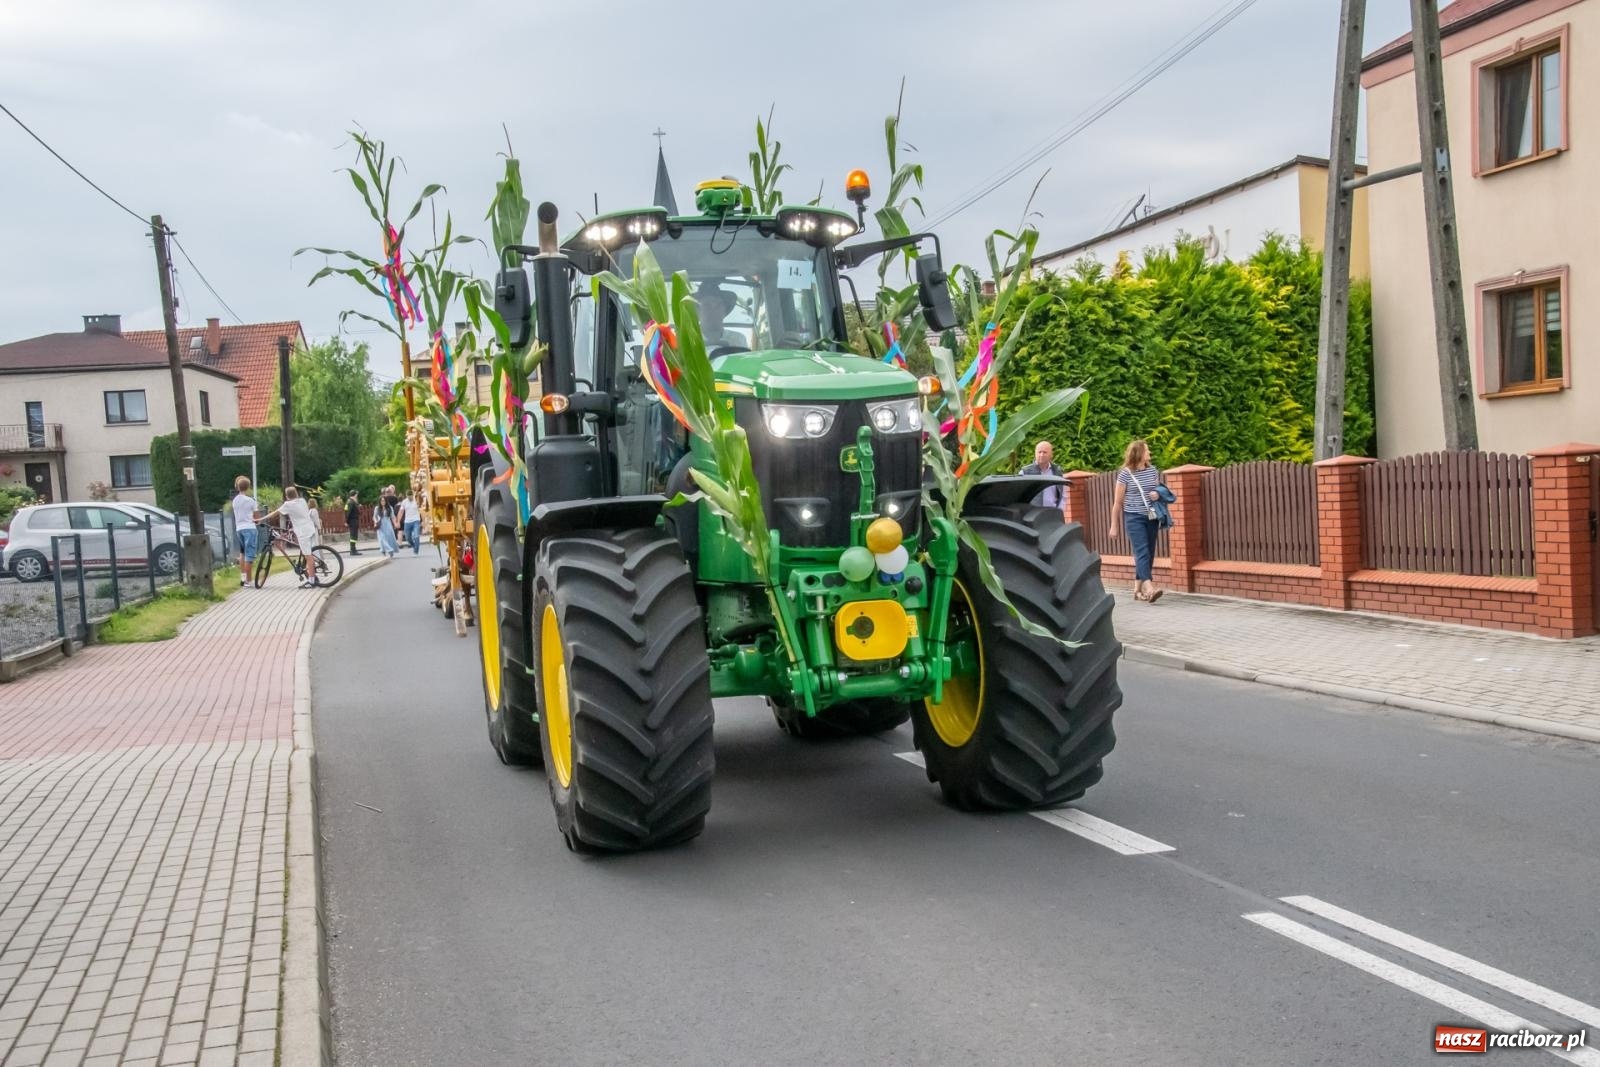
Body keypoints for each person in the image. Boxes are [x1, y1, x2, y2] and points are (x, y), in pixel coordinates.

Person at [1109, 439, 1163, 603]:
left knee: (1150, 553)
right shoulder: (1125, 474)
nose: (1149, 453)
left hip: (1151, 516)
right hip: (1134, 517)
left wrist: (1157, 494)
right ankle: (1149, 588)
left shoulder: (1153, 471)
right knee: (1142, 552)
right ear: (1139, 453)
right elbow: (1118, 502)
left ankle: (1137, 590)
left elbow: (1157, 490)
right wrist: (1114, 526)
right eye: (1147, 451)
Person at [261, 487, 321, 588]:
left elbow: (274, 514)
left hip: (303, 532)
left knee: (308, 556)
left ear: (287, 496)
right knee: (309, 552)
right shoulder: (302, 501)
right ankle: (311, 571)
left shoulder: (288, 505)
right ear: (296, 494)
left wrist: (260, 518)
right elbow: (299, 515)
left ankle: (311, 581)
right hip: (310, 528)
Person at [1019, 440, 1065, 511]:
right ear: (1035, 454)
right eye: (1039, 452)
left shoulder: (1057, 472)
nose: (1041, 455)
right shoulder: (1025, 472)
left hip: (1052, 514)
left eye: (1045, 452)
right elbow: (1020, 497)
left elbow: (1062, 495)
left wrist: (1060, 510)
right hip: (1032, 515)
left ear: (1051, 454)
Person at [230, 475, 259, 587]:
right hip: (249, 528)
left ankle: (243, 577)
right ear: (248, 487)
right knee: (249, 556)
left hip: (239, 528)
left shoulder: (235, 501)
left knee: (242, 553)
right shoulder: (251, 501)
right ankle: (248, 580)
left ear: (237, 487)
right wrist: (257, 521)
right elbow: (256, 517)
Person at [696, 286, 746, 350]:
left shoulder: (738, 339)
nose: (713, 310)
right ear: (697, 311)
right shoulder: (687, 341)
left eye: (718, 305)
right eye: (706, 305)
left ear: (725, 310)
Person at [374, 490, 399, 558]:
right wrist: (375, 522)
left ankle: (388, 551)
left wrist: (395, 524)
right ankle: (387, 550)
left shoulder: (389, 508)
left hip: (388, 524)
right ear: (379, 502)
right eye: (381, 501)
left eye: (384, 501)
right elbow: (374, 517)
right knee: (382, 539)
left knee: (389, 538)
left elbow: (393, 517)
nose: (383, 502)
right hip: (380, 525)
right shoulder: (377, 508)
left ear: (386, 501)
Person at [344, 491, 362, 556]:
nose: (357, 496)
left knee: (354, 535)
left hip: (353, 520)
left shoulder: (349, 502)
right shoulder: (351, 502)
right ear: (354, 495)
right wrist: (346, 521)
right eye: (356, 495)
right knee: (353, 535)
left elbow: (346, 511)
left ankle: (353, 549)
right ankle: (353, 550)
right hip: (353, 521)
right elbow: (347, 512)